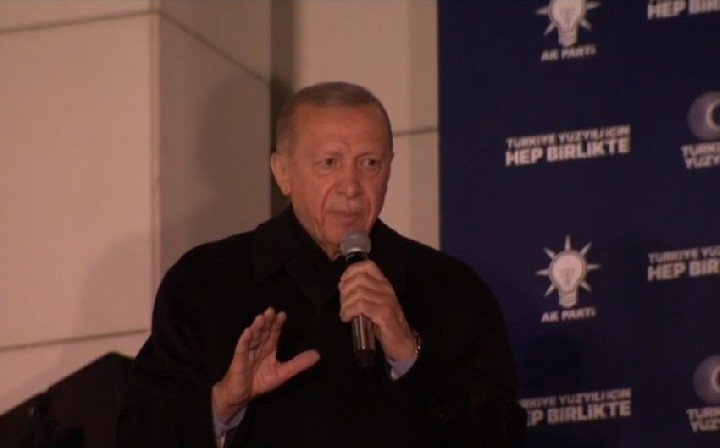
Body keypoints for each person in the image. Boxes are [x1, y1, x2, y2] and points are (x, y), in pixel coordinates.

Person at [117, 81, 526, 447]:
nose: (351, 186)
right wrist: (223, 402)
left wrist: (410, 356)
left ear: (389, 170)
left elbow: (500, 433)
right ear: (283, 172)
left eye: (369, 163)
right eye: (329, 162)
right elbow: (139, 433)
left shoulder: (449, 287)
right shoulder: (206, 281)